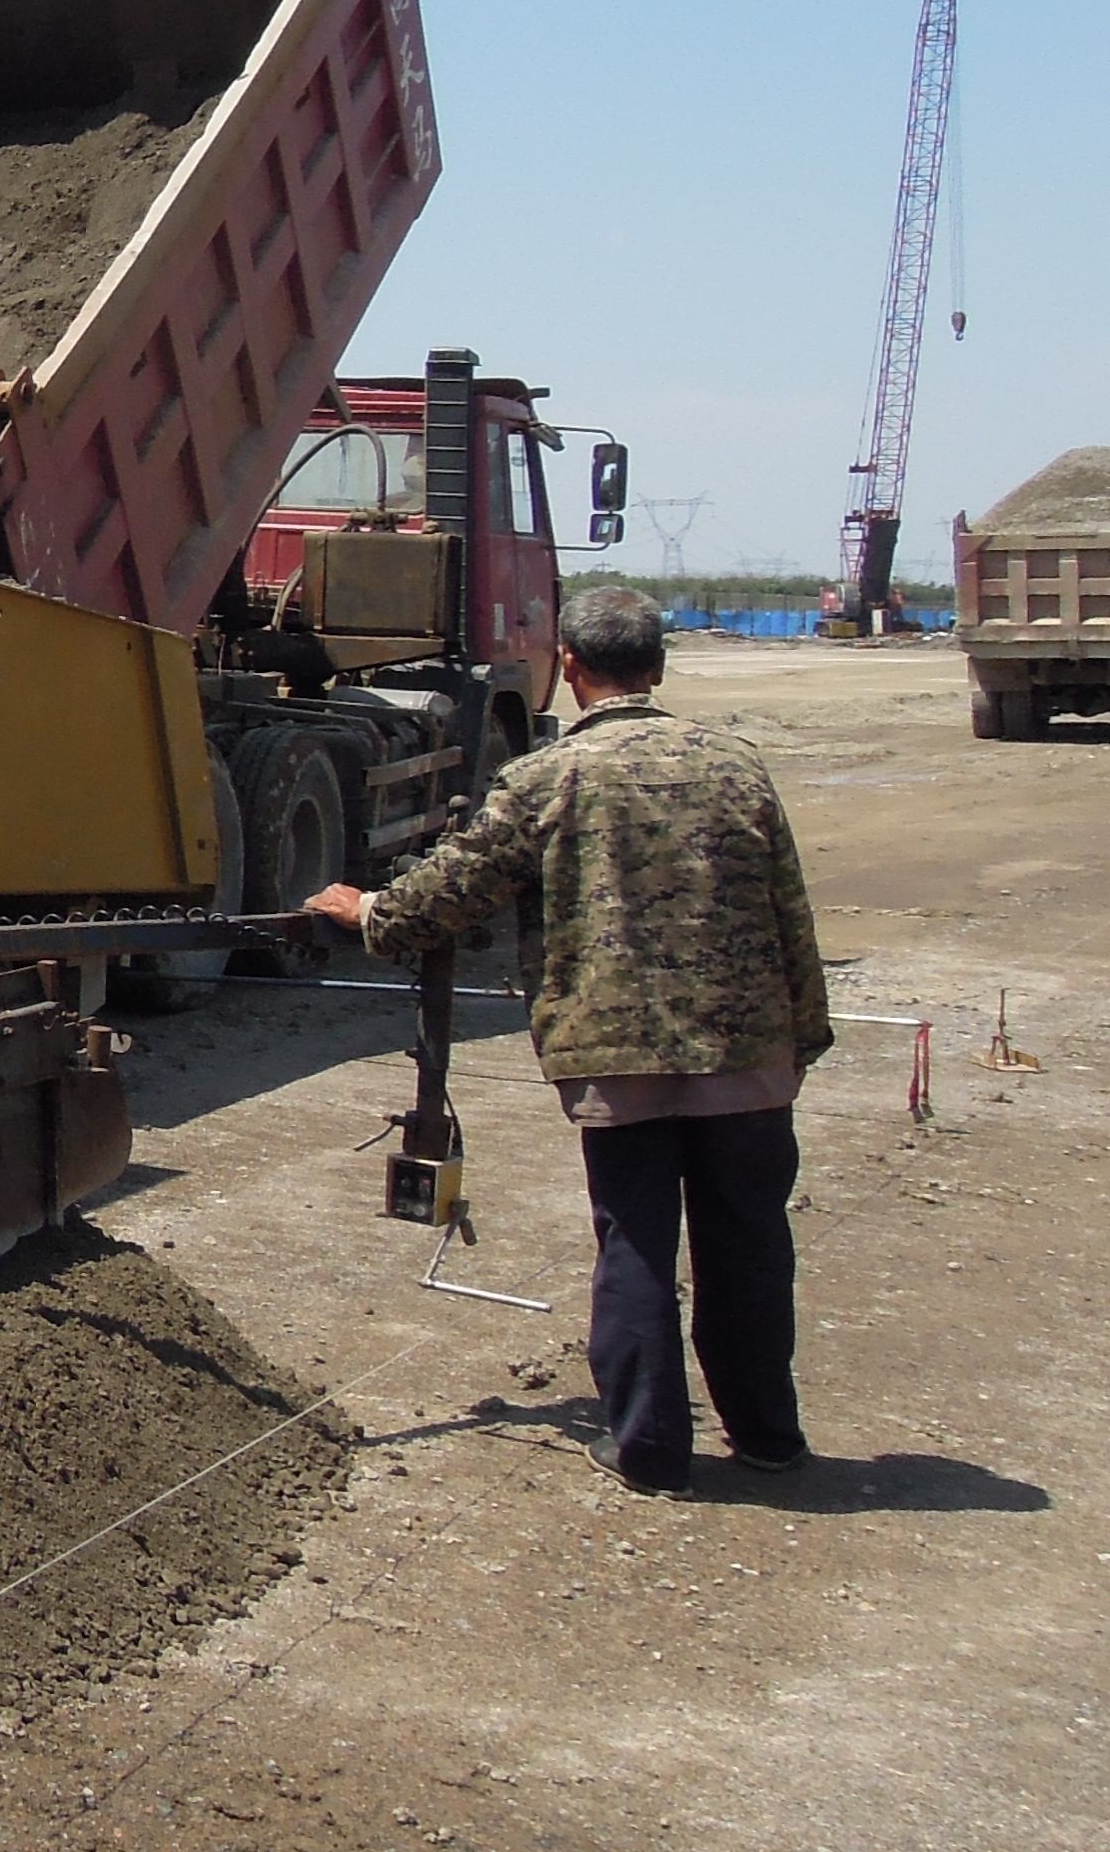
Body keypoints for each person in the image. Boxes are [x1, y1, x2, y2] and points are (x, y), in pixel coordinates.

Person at [307, 585, 833, 1496]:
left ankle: (650, 1452)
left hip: (617, 1060)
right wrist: (803, 1039)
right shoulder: (739, 767)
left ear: (576, 670)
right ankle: (769, 1439)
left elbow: (455, 890)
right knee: (749, 1244)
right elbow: (791, 912)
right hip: (747, 1059)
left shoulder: (550, 778)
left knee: (634, 1245)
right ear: (660, 667)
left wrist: (370, 912)